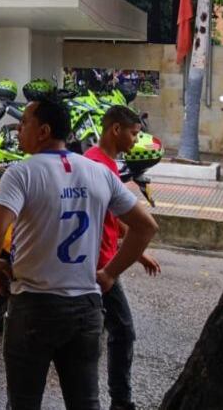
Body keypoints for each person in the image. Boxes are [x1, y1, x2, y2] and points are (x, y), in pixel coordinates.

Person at [0, 98, 158, 410]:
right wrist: (109, 273)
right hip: (86, 307)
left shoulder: (21, 173)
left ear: (43, 131)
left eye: (25, 122)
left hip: (33, 305)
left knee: (22, 403)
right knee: (85, 402)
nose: (19, 129)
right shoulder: (98, 172)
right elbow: (145, 227)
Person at [85, 106, 162, 410]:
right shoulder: (96, 165)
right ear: (115, 130)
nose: (135, 140)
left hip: (105, 260)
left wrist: (138, 251)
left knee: (110, 331)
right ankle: (121, 401)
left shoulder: (107, 164)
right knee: (122, 331)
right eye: (133, 133)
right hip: (100, 266)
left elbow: (113, 216)